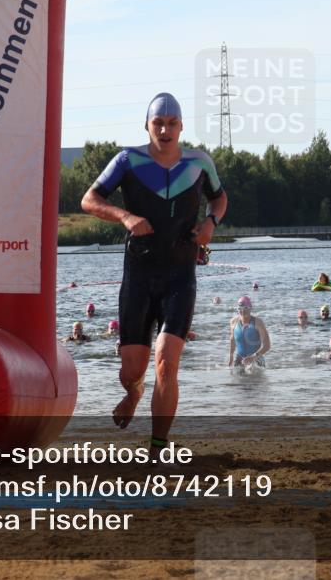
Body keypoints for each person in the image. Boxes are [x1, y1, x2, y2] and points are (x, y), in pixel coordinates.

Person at [81, 92, 227, 451]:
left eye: (172, 123)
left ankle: (158, 445)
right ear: (147, 126)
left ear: (181, 127)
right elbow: (89, 200)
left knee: (165, 362)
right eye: (158, 123)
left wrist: (211, 222)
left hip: (180, 274)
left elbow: (219, 198)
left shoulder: (198, 162)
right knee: (131, 370)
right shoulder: (127, 160)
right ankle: (133, 393)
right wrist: (126, 217)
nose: (165, 129)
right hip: (139, 276)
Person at [229, 295, 270, 369]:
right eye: (240, 308)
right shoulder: (233, 322)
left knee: (256, 378)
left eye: (245, 308)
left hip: (256, 358)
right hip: (240, 358)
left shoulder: (258, 323)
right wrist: (231, 356)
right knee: (235, 379)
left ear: (250, 308)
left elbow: (267, 345)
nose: (242, 311)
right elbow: (232, 340)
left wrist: (253, 357)